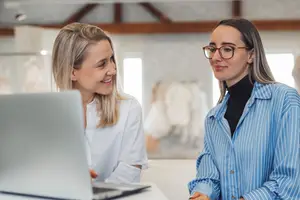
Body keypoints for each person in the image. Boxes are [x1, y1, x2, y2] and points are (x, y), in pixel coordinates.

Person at [188, 18, 300, 200]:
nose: (216, 57)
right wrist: (202, 194)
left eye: (227, 49)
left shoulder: (284, 100)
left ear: (251, 55)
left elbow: (290, 181)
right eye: (212, 49)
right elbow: (209, 177)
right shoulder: (213, 118)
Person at [52, 22, 148, 184]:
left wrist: (94, 192)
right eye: (102, 64)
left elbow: (130, 171)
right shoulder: (47, 114)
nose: (113, 70)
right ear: (72, 72)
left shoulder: (129, 108)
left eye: (111, 59)